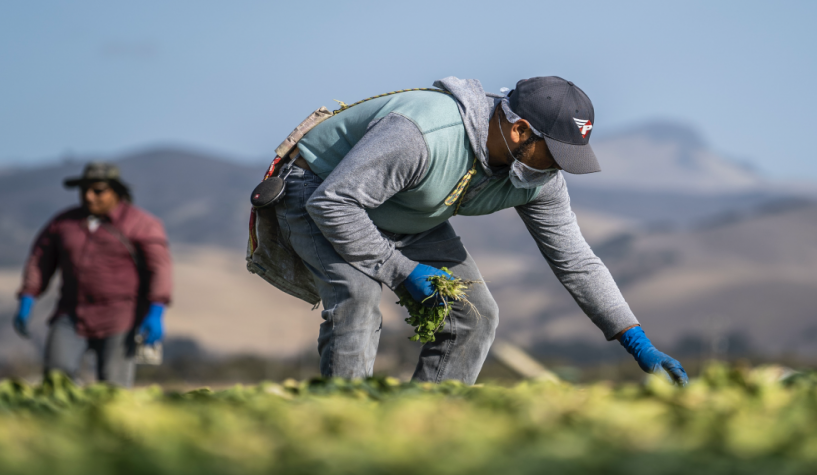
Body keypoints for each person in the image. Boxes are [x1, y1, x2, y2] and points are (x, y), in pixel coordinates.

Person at [267, 76, 688, 385]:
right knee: (358, 296)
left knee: (475, 313)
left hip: (408, 211)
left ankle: (424, 430)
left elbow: (576, 261)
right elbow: (333, 203)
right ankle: (341, 427)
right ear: (520, 129)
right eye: (554, 154)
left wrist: (634, 338)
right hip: (318, 190)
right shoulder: (423, 136)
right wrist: (400, 270)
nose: (557, 168)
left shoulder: (539, 180)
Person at [13, 162, 172, 387]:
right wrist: (28, 296)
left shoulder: (142, 224)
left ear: (116, 191)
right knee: (57, 381)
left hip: (120, 318)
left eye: (98, 190)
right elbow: (39, 260)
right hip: (70, 314)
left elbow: (160, 268)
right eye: (84, 190)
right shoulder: (63, 223)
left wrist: (157, 309)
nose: (89, 196)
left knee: (114, 388)